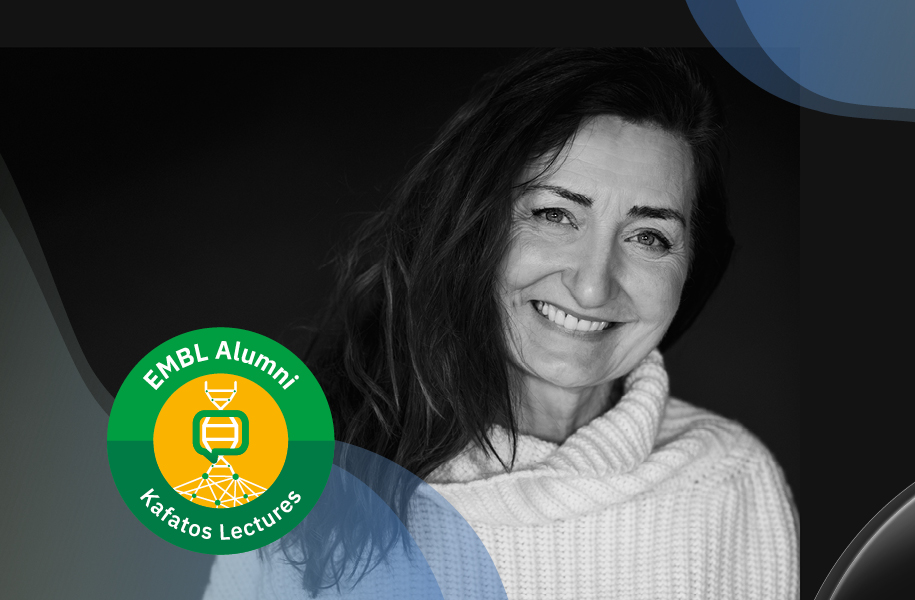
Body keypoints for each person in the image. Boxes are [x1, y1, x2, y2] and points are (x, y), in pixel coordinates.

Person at [203, 48, 798, 599]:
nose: (593, 284)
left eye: (649, 236)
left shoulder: (730, 482)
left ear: (690, 266)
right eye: (555, 214)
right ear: (476, 228)